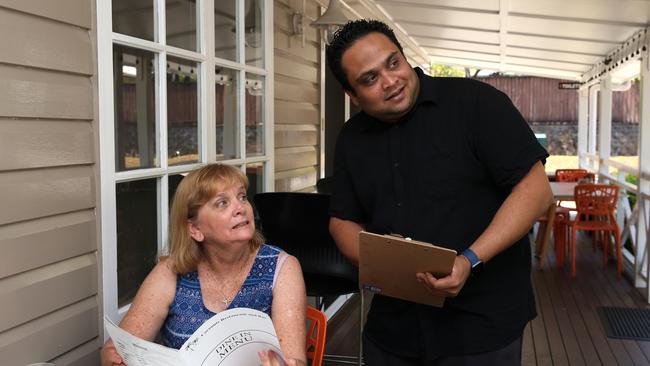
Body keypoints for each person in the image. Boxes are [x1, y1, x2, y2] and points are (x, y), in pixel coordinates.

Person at [327, 19, 553, 365]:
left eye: (393, 63)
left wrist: (469, 260)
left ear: (403, 56)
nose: (390, 81)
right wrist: (386, 260)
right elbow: (342, 219)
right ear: (352, 95)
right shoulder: (351, 139)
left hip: (483, 326)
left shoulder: (477, 104)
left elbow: (535, 192)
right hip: (393, 328)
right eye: (369, 79)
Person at [101, 164, 307, 366]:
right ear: (195, 229)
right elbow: (114, 349)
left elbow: (295, 360)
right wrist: (116, 361)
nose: (241, 208)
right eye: (222, 203)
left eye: (242, 197)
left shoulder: (282, 268)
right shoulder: (171, 272)